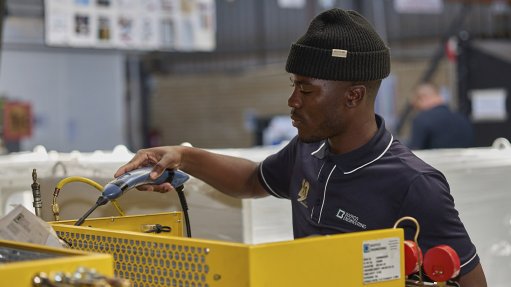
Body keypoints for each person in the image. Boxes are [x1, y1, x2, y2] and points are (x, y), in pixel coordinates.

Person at [115, 8, 486, 286]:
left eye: (306, 90)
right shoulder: (307, 151)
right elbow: (251, 181)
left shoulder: (413, 184)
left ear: (353, 96)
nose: (293, 100)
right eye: (293, 86)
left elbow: (472, 282)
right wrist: (184, 155)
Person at [409, 83, 474, 149]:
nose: (418, 110)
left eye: (416, 106)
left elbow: (415, 152)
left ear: (423, 98)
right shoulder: (462, 119)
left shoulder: (421, 120)